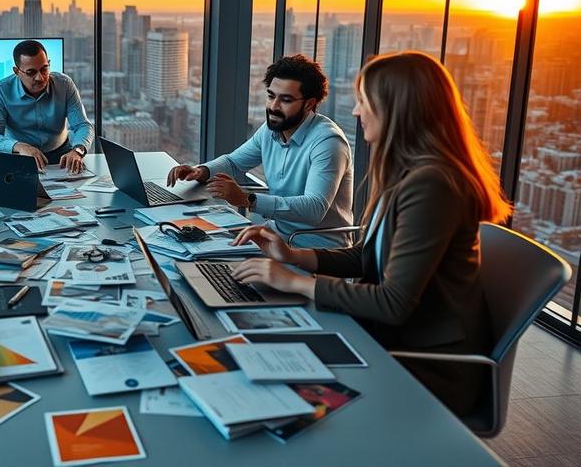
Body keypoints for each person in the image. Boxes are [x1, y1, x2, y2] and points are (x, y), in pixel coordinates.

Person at [229, 51, 510, 416]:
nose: (357, 111)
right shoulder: (409, 172)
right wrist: (294, 257)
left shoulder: (433, 185)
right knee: (259, 349)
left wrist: (295, 282)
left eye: (364, 101)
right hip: (391, 336)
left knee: (267, 375)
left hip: (426, 362)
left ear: (398, 109)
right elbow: (367, 255)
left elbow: (393, 302)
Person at [167, 54, 353, 248]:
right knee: (195, 250)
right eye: (271, 96)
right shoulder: (271, 130)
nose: (273, 107)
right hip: (276, 237)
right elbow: (233, 163)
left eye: (286, 100)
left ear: (309, 104)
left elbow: (315, 208)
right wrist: (202, 171)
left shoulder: (328, 142)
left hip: (318, 250)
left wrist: (248, 200)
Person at [0, 39, 93, 173]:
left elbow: (83, 125)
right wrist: (21, 147)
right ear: (17, 72)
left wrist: (78, 150)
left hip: (60, 155)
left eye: (44, 69)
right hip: (18, 155)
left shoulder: (64, 85)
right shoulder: (1, 91)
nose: (40, 78)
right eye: (31, 72)